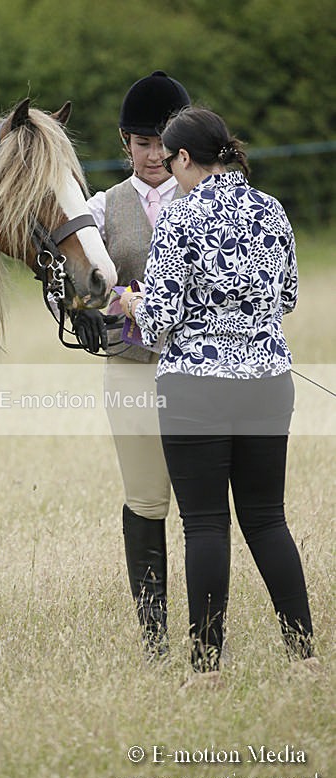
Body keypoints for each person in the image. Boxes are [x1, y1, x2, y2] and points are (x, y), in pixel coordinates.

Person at [120, 106, 315, 673]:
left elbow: (156, 320)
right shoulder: (272, 210)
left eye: (171, 158)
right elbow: (288, 298)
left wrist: (130, 302)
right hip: (267, 384)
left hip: (195, 388)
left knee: (205, 524)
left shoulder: (180, 219)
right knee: (267, 519)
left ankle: (207, 666)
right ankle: (304, 656)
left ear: (184, 158)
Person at [71, 71, 192, 660]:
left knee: (202, 504)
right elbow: (77, 288)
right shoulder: (100, 208)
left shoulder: (210, 201)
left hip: (202, 369)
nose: (154, 155)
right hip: (131, 369)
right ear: (126, 143)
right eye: (142, 143)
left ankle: (206, 632)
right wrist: (92, 306)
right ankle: (154, 637)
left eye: (164, 142)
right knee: (146, 499)